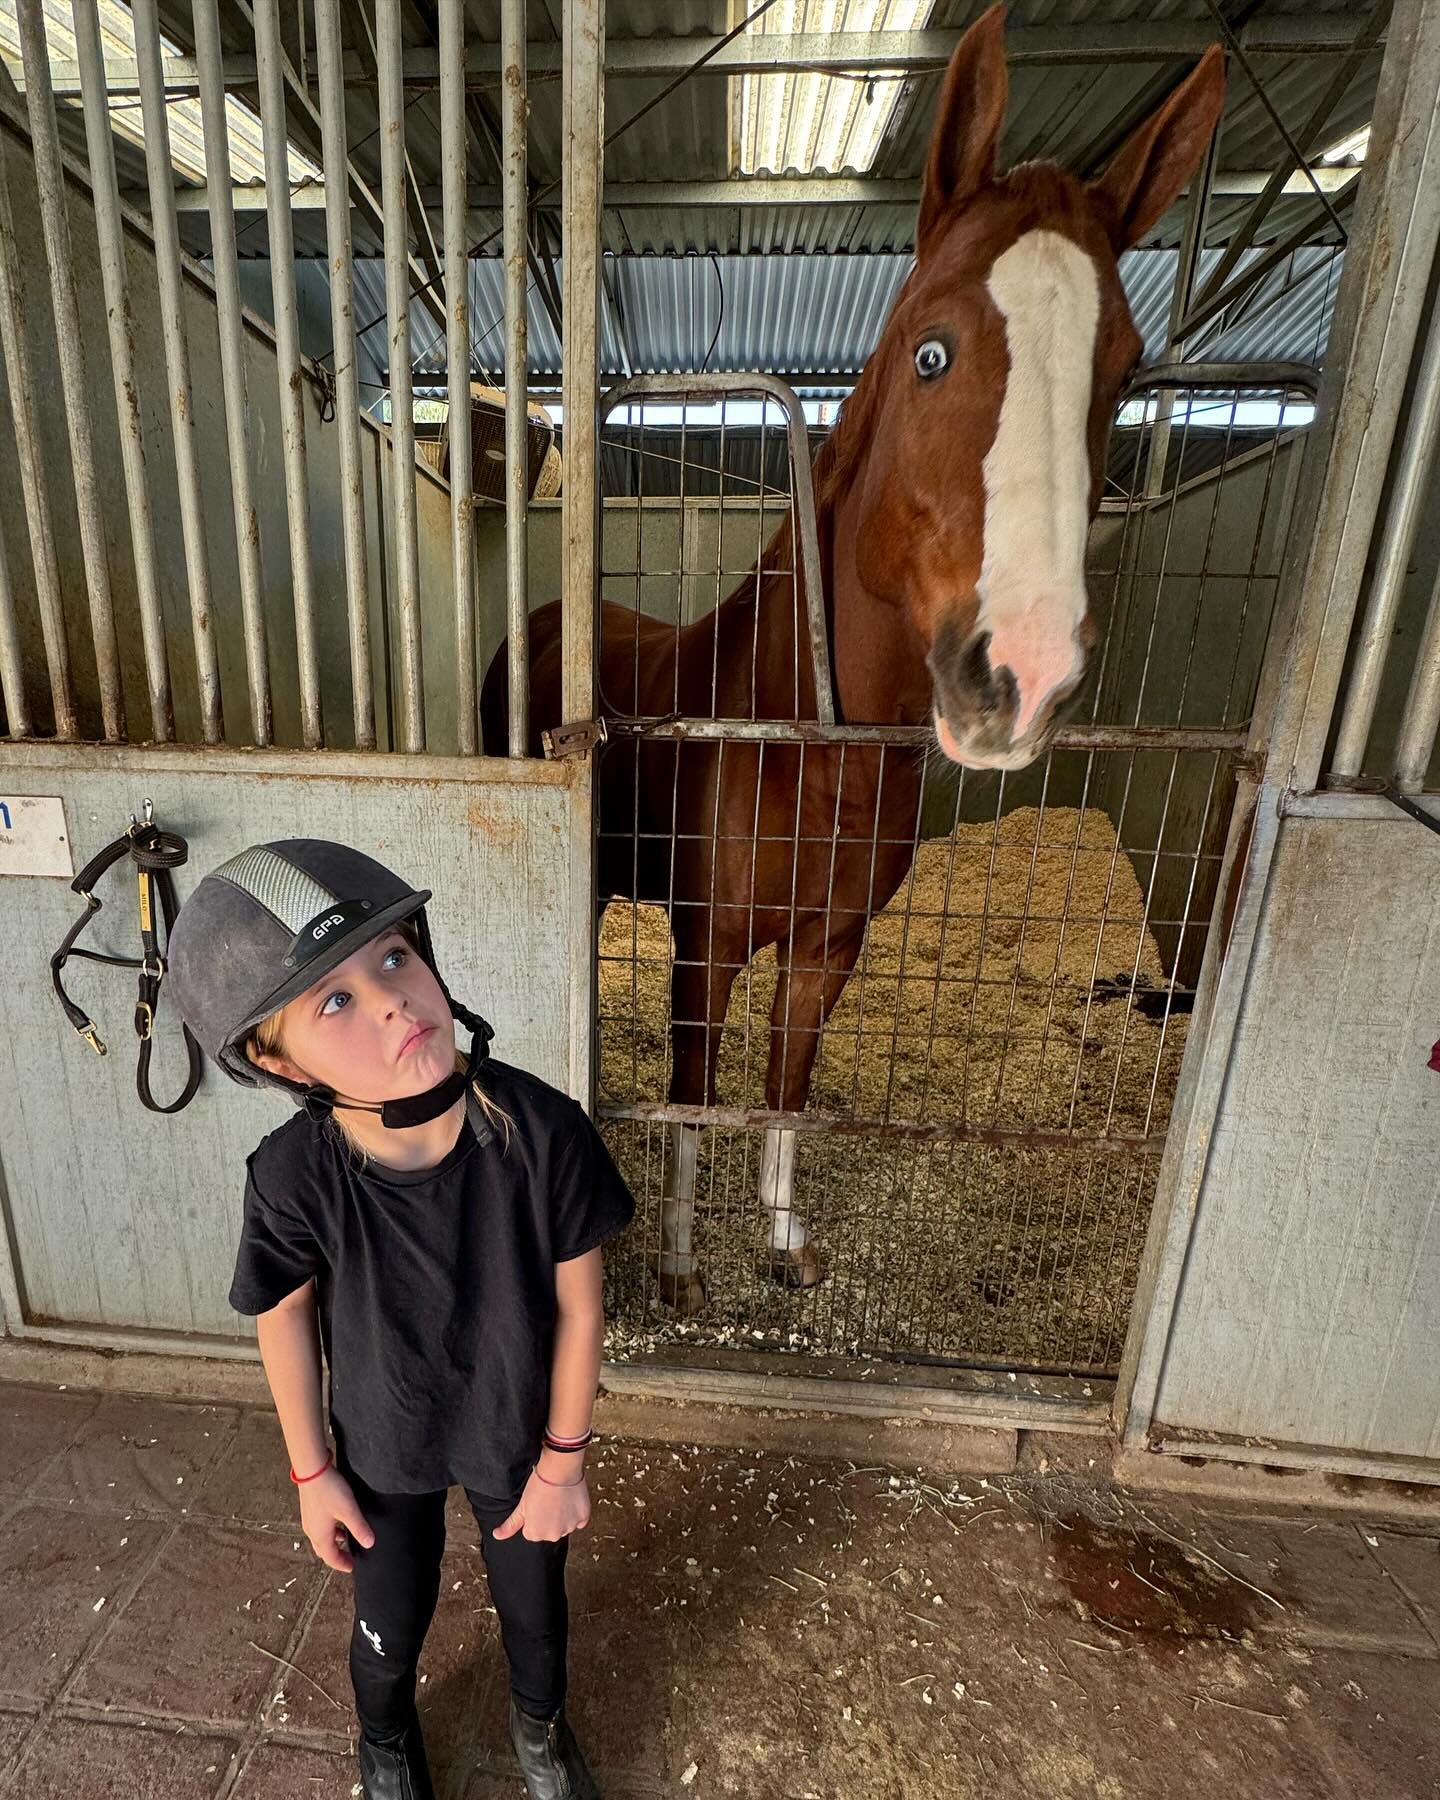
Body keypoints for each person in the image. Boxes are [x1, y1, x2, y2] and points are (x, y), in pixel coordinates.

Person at [166, 838, 635, 1800]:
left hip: (518, 1437)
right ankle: (384, 1740)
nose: (390, 998)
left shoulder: (542, 1133)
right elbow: (282, 1318)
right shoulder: (293, 1178)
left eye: (393, 957)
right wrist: (311, 1472)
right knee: (388, 1619)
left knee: (537, 1615)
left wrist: (564, 1461)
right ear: (274, 1059)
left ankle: (540, 1734)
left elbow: (581, 1304)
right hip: (385, 1443)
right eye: (332, 1001)